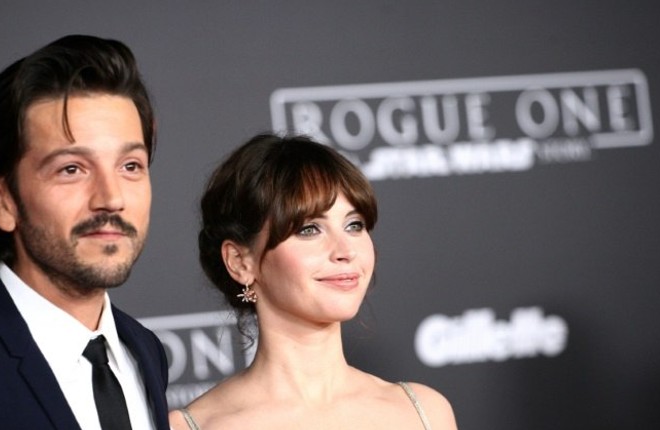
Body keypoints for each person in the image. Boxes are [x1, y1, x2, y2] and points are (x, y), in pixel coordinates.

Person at [0, 35, 169, 430]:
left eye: (131, 166)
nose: (112, 198)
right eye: (72, 169)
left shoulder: (142, 350)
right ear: (0, 199)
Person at [169, 134, 457, 429]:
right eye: (309, 230)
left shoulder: (424, 412)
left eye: (354, 225)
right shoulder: (192, 426)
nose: (345, 251)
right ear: (241, 263)